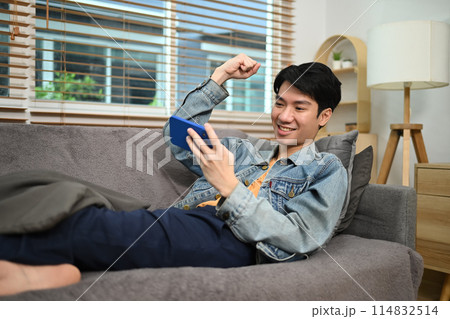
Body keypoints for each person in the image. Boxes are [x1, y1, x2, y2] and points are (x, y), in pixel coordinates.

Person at [0, 54, 347, 296]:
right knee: (51, 189)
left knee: (91, 227)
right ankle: (48, 268)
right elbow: (178, 140)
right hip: (184, 219)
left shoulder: (326, 169)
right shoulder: (244, 152)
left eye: (299, 107)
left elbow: (302, 237)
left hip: (232, 237)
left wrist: (229, 187)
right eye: (280, 103)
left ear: (323, 116)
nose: (284, 116)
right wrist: (220, 77)